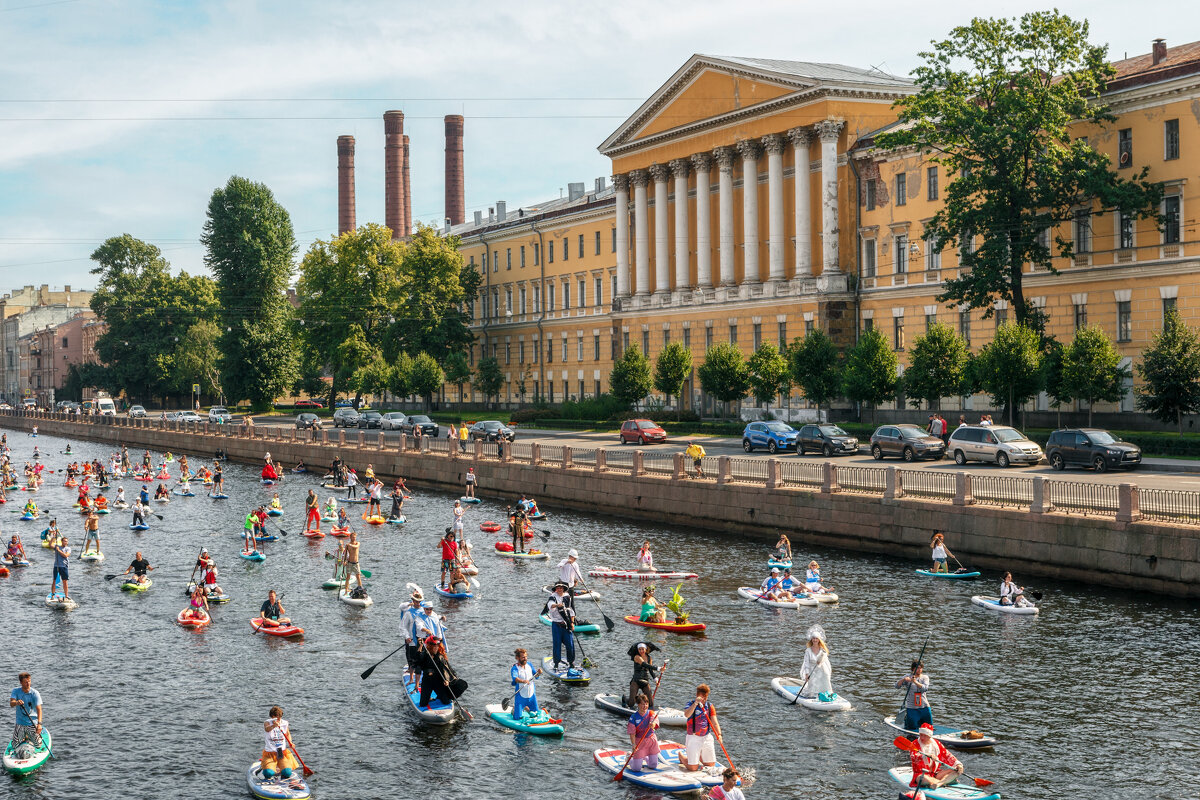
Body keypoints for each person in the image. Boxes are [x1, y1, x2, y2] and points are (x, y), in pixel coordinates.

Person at [909, 723, 964, 790]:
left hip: (936, 774)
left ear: (929, 736)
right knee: (923, 778)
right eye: (921, 735)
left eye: (925, 736)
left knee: (956, 771)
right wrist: (926, 755)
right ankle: (946, 781)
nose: (922, 738)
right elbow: (914, 756)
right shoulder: (914, 744)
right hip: (921, 774)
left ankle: (938, 784)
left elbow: (947, 755)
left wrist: (958, 764)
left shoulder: (936, 744)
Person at [680, 684, 721, 772]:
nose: (704, 700)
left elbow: (715, 722)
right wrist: (695, 703)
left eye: (705, 697)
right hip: (693, 737)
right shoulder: (691, 703)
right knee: (693, 768)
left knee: (710, 765)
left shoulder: (710, 706)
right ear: (697, 696)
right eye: (702, 697)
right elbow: (687, 715)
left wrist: (719, 735)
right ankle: (682, 757)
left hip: (706, 736)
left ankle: (699, 756)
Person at [416, 636, 461, 710]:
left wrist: (446, 680)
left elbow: (445, 669)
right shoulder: (424, 655)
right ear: (430, 646)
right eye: (434, 646)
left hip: (438, 682)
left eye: (437, 646)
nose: (436, 648)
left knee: (446, 701)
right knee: (423, 704)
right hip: (427, 682)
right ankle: (428, 697)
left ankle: (439, 696)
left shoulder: (440, 657)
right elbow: (417, 661)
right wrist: (420, 646)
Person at [259, 706, 300, 781]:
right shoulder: (267, 722)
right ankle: (267, 768)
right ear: (272, 717)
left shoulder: (284, 723)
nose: (278, 720)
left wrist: (290, 742)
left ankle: (283, 777)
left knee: (287, 772)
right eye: (275, 718)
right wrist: (273, 726)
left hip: (281, 752)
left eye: (279, 718)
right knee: (268, 773)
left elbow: (287, 734)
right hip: (270, 753)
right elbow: (267, 729)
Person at [543, 582, 576, 670]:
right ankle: (556, 663)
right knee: (557, 644)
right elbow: (550, 605)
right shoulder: (552, 597)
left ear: (563, 589)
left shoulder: (567, 597)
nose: (559, 589)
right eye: (558, 588)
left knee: (570, 644)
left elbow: (571, 610)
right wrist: (558, 605)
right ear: (556, 589)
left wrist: (572, 623)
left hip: (566, 624)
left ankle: (571, 662)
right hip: (556, 625)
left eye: (561, 588)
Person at [9, 672, 45, 753]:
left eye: (29, 681)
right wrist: (17, 702)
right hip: (20, 723)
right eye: (25, 682)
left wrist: (39, 724)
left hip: (32, 723)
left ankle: (29, 738)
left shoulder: (35, 693)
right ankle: (24, 737)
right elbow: (11, 704)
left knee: (38, 745)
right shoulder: (15, 691)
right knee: (14, 745)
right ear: (21, 682)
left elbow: (39, 709)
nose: (28, 683)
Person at [625, 694, 660, 772]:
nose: (645, 706)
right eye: (643, 704)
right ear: (638, 705)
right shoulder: (633, 717)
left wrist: (652, 724)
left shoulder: (651, 713)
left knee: (653, 765)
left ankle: (645, 757)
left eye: (646, 704)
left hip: (651, 741)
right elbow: (632, 733)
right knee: (636, 768)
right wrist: (633, 744)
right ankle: (629, 758)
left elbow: (654, 721)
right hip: (640, 742)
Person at [896, 660, 932, 731]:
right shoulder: (908, 677)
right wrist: (903, 680)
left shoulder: (925, 677)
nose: (920, 670)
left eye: (921, 668)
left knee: (928, 726)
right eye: (918, 668)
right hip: (912, 707)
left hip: (924, 706)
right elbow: (897, 686)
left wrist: (915, 682)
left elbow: (925, 688)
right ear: (913, 668)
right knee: (912, 727)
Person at [400, 586, 428, 680]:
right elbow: (403, 626)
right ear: (413, 601)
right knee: (412, 661)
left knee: (421, 659)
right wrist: (407, 637)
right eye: (416, 601)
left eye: (419, 601)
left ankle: (420, 677)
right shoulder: (408, 613)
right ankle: (411, 678)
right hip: (411, 640)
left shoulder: (424, 611)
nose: (418, 603)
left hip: (422, 640)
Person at [510, 648, 542, 721]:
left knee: (536, 715)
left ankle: (527, 708)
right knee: (517, 718)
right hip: (520, 696)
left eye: (526, 657)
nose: (525, 659)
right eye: (523, 657)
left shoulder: (529, 665)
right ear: (517, 658)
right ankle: (515, 710)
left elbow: (536, 676)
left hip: (531, 695)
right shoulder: (515, 668)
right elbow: (515, 679)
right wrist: (523, 681)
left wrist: (539, 673)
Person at [800, 624, 832, 697]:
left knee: (825, 676)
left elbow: (825, 660)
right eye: (813, 638)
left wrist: (820, 660)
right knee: (813, 684)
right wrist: (807, 674)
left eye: (816, 638)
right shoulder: (808, 651)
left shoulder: (822, 650)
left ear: (819, 640)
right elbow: (806, 663)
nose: (815, 640)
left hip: (821, 669)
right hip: (812, 670)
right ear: (811, 639)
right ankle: (813, 695)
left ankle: (825, 694)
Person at [626, 641, 660, 708]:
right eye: (639, 649)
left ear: (646, 649)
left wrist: (656, 680)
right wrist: (658, 668)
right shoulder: (637, 657)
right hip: (636, 681)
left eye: (642, 649)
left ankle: (638, 698)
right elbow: (645, 665)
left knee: (651, 704)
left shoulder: (649, 658)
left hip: (645, 681)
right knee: (631, 704)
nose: (641, 651)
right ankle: (625, 699)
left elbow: (650, 670)